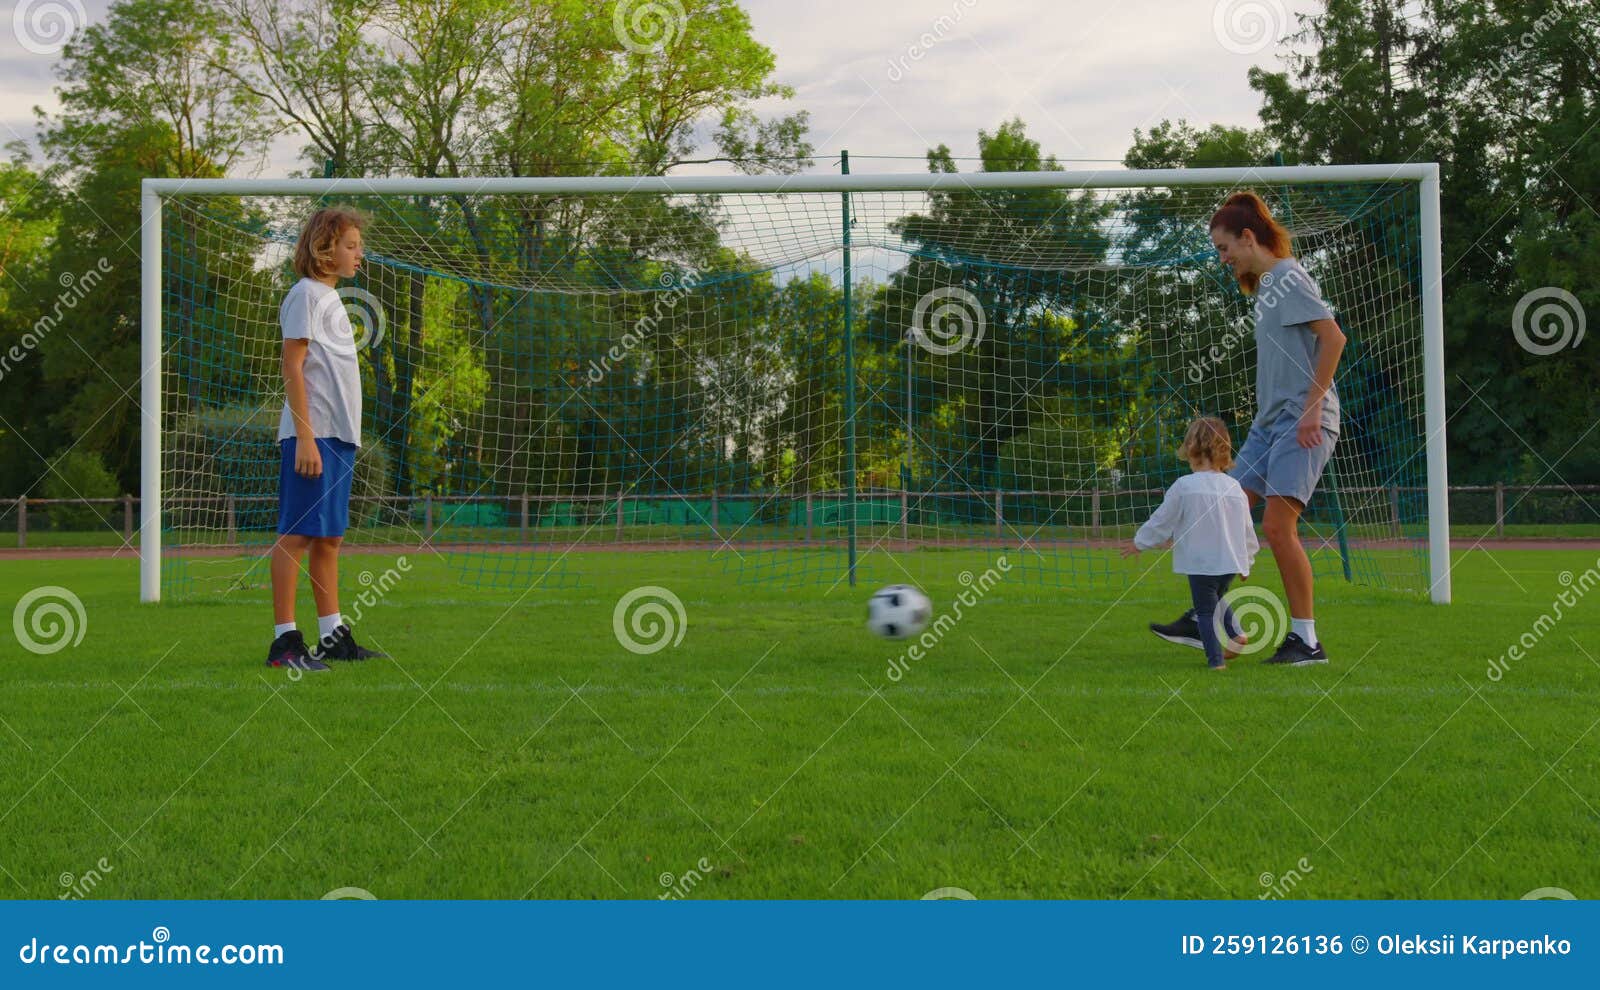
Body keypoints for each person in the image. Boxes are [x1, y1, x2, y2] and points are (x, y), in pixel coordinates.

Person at [1149, 191, 1345, 666]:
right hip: (1268, 426)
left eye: (1224, 248)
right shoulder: (1266, 287)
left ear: (1248, 237)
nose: (1223, 259)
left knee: (1278, 529)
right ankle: (1207, 618)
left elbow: (1333, 338)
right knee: (1216, 510)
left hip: (1303, 424)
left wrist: (1312, 410)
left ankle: (1306, 642)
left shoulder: (1286, 276)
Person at [265, 206, 386, 671]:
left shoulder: (331, 299)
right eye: (351, 246)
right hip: (311, 437)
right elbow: (292, 366)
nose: (360, 254)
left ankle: (332, 636)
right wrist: (306, 437)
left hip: (339, 437)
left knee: (329, 538)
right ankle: (285, 643)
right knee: (295, 536)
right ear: (324, 248)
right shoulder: (305, 295)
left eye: (359, 246)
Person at [1124, 417, 1258, 670]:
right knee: (1216, 598)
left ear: (1191, 448)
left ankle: (1215, 661)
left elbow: (1162, 519)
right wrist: (1246, 561)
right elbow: (1247, 529)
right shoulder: (1234, 487)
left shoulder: (1185, 486)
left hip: (1201, 563)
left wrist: (1139, 542)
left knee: (1204, 612)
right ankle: (1237, 634)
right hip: (1229, 563)